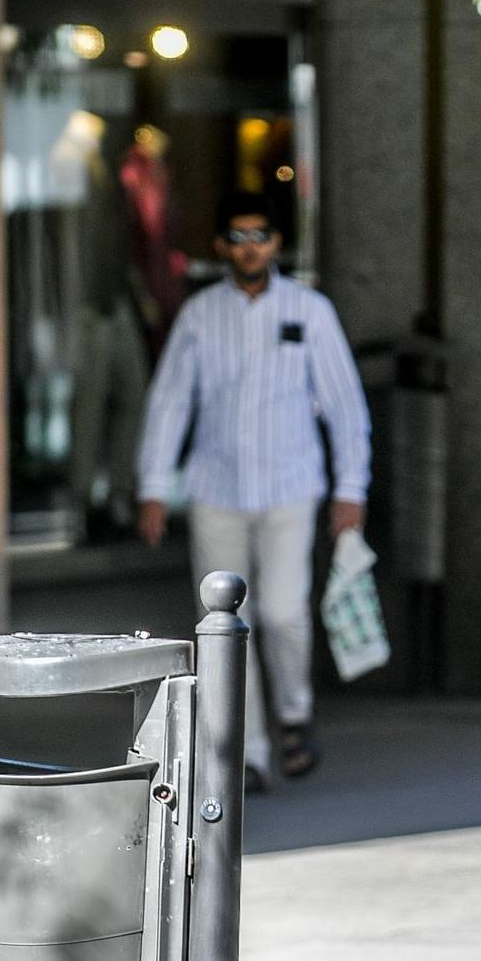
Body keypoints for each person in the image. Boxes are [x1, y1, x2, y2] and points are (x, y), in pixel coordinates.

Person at [135, 193, 371, 792]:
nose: (249, 247)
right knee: (221, 625)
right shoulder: (199, 315)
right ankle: (248, 752)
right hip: (216, 489)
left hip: (292, 487)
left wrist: (352, 488)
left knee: (285, 612)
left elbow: (345, 405)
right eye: (237, 237)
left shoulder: (310, 311)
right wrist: (154, 486)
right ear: (222, 246)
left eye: (260, 235)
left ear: (275, 244)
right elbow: (169, 402)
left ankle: (293, 712)